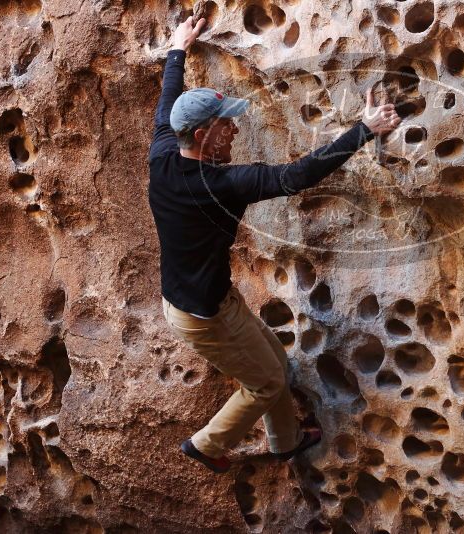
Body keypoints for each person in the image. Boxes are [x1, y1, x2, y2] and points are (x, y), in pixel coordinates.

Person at [147, 17, 401, 473]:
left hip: (201, 300)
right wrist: (364, 129)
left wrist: (178, 48)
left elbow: (168, 101)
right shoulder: (220, 183)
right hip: (204, 316)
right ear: (203, 136)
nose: (236, 133)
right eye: (227, 126)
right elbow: (296, 176)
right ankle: (206, 445)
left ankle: (285, 441)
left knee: (276, 370)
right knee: (264, 385)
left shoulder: (164, 153)